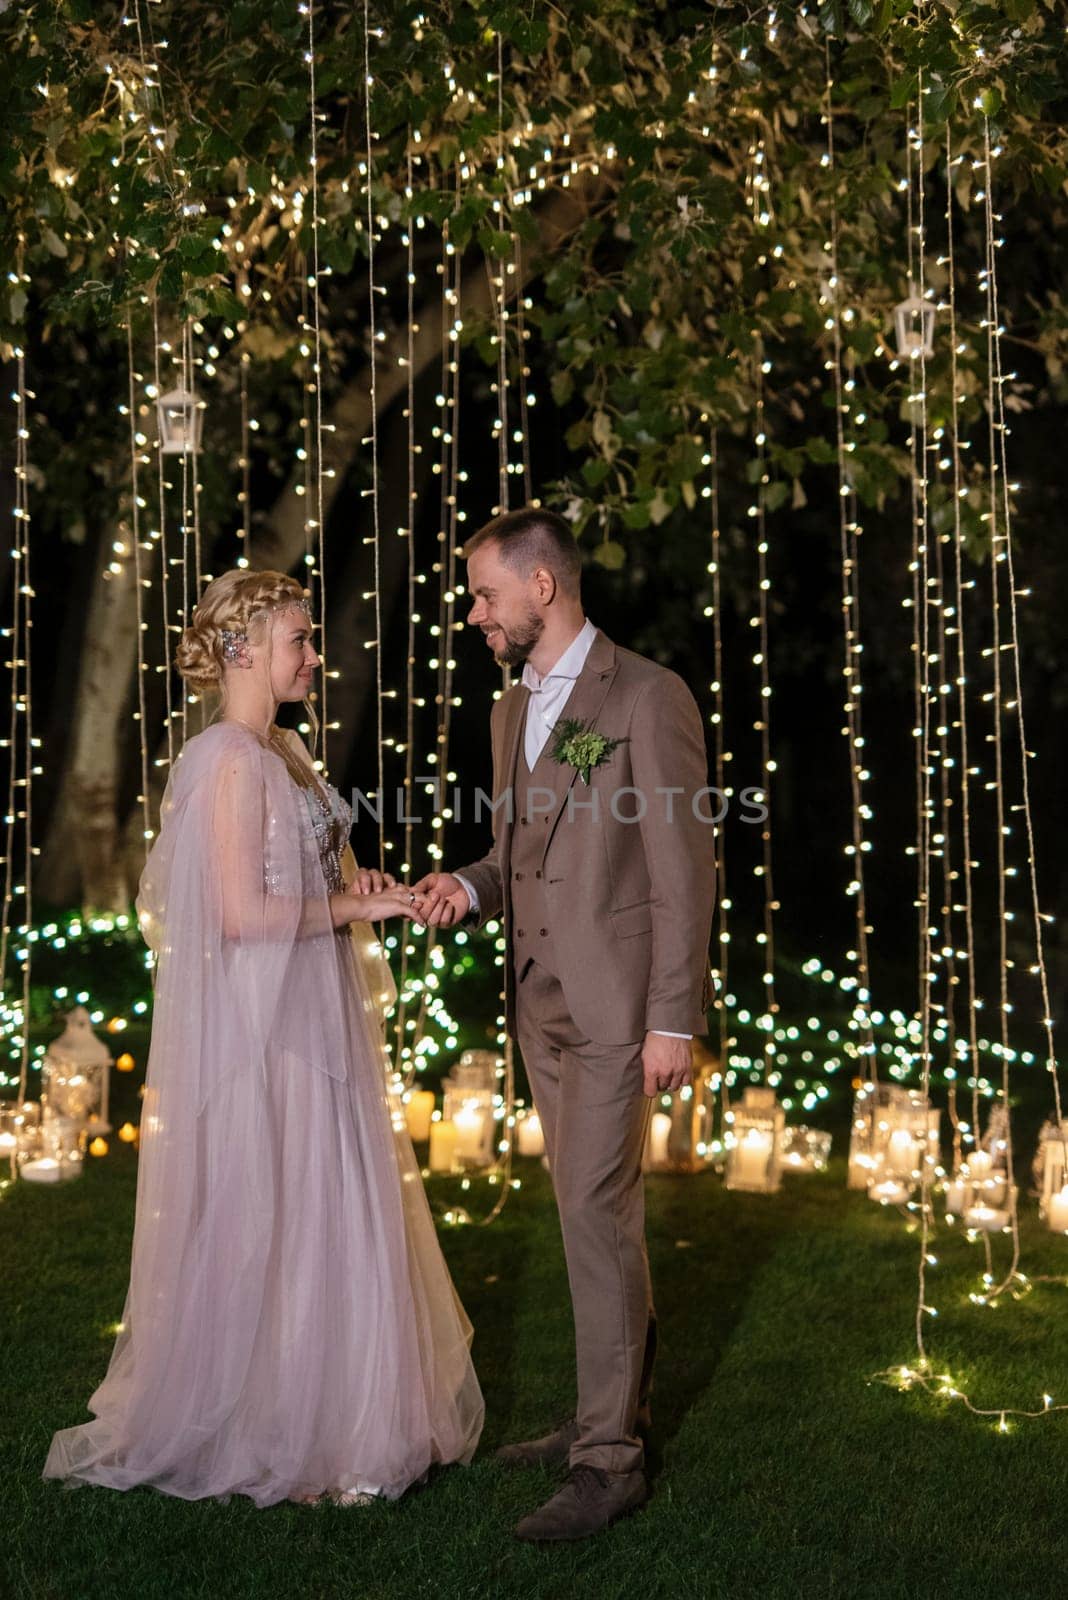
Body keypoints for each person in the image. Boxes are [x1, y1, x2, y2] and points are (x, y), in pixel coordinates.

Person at [44, 569, 483, 1508]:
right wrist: (347, 906)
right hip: (268, 1019)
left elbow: (310, 875)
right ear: (243, 649)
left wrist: (375, 895)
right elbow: (242, 915)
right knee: (279, 1202)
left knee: (326, 1194)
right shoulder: (228, 762)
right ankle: (274, 1420)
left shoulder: (283, 747)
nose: (315, 656)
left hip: (314, 999)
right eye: (299, 639)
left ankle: (334, 1408)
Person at [415, 507, 716, 1542]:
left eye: (484, 594)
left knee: (596, 1214)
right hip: (539, 1004)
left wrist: (673, 1016)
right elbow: (519, 858)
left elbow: (684, 870)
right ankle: (608, 1406)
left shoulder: (646, 694)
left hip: (618, 1013)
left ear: (543, 587)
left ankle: (609, 1460)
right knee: (587, 1218)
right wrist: (464, 882)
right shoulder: (512, 713)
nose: (473, 614)